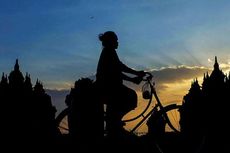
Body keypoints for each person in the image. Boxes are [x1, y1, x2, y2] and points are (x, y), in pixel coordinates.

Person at [96, 31, 146, 138]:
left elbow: (117, 71)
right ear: (111, 41)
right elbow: (119, 68)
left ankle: (114, 122)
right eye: (116, 40)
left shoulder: (109, 52)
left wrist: (134, 77)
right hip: (108, 87)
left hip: (110, 86)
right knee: (131, 96)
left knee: (124, 99)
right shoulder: (109, 52)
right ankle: (115, 122)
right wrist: (135, 74)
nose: (118, 42)